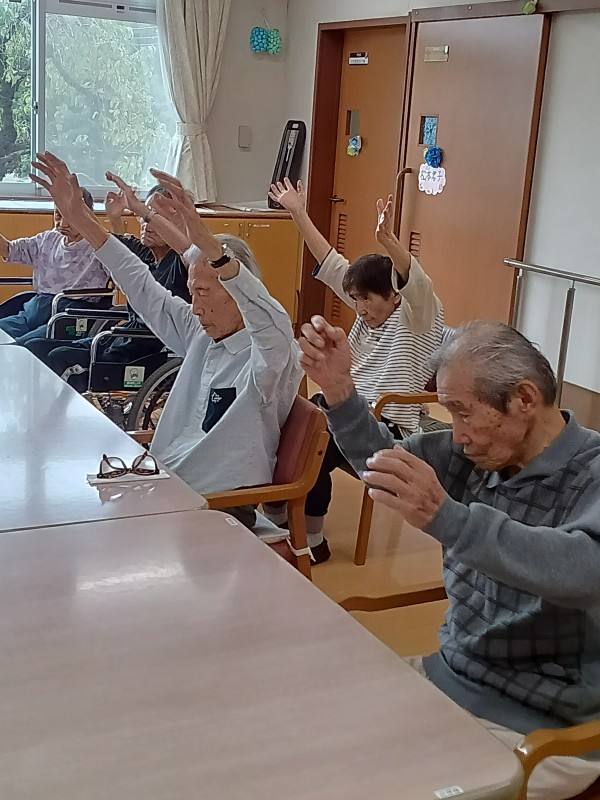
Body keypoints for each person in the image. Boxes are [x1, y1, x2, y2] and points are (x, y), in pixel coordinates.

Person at [299, 315, 600, 800]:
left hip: (545, 728)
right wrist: (338, 391)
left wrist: (449, 519)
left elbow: (584, 570)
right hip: (449, 677)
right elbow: (385, 466)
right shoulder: (473, 454)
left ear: (524, 399)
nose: (456, 434)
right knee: (308, 737)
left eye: (462, 412)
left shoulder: (592, 473)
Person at [31, 152, 302, 534]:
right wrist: (80, 218)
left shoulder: (269, 354)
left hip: (215, 508)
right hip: (168, 483)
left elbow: (272, 320)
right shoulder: (200, 333)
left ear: (237, 292)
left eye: (204, 292)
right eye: (192, 291)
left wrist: (214, 252)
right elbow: (140, 282)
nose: (195, 305)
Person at [264, 178, 444, 563]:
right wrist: (298, 211)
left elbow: (419, 285)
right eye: (356, 299)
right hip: (349, 411)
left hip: (387, 425)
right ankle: (278, 514)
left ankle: (312, 540)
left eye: (367, 299)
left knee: (316, 439)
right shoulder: (367, 316)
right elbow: (330, 262)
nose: (360, 309)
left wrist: (389, 241)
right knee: (289, 416)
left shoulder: (418, 318)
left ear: (395, 294)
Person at [24, 183, 191, 392]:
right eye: (144, 216)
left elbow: (189, 248)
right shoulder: (144, 252)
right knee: (33, 348)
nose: (147, 224)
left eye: (157, 218)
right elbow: (103, 239)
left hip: (146, 350)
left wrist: (184, 219)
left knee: (60, 358)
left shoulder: (181, 263)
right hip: (123, 337)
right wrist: (80, 206)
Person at [0, 188, 111, 344]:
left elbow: (121, 271)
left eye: (70, 217)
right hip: (35, 310)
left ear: (87, 215)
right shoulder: (49, 238)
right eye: (58, 215)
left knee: (21, 346)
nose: (63, 224)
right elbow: (11, 249)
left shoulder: (100, 245)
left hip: (71, 315)